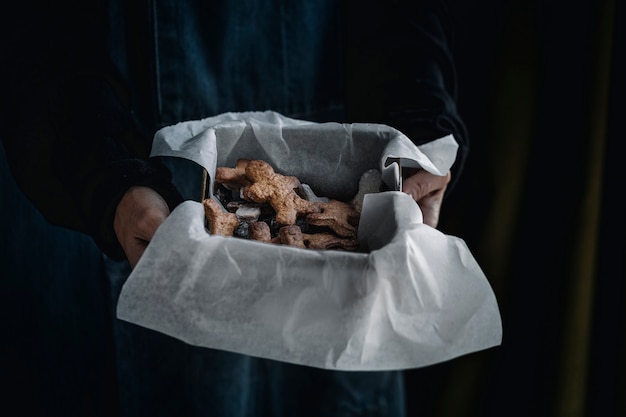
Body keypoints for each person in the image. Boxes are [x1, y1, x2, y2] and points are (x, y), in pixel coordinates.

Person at [1, 0, 468, 416]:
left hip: (340, 250)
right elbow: (33, 28)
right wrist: (106, 180)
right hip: (109, 189)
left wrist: (420, 132)